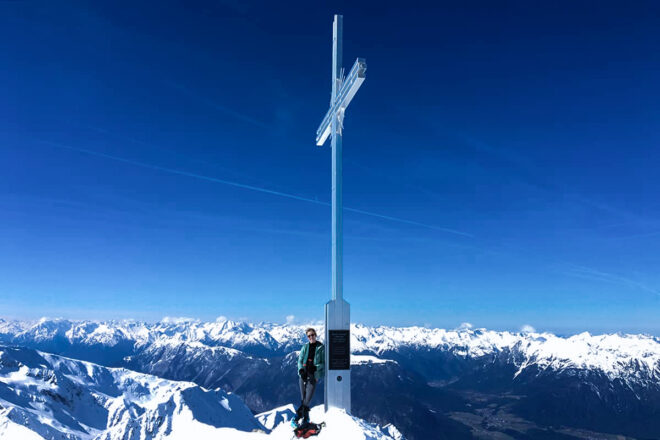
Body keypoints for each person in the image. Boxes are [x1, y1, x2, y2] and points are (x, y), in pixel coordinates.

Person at [295, 327, 325, 425]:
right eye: (309, 336)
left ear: (315, 335)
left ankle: (296, 418)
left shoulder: (321, 347)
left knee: (307, 399)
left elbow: (324, 363)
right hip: (303, 375)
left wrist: (316, 368)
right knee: (303, 398)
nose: (311, 337)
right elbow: (300, 360)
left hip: (313, 376)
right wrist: (301, 371)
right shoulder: (305, 347)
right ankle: (305, 419)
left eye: (312, 335)